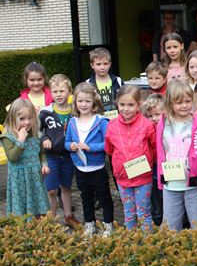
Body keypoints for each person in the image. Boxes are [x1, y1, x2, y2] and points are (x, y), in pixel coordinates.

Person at [155, 80, 197, 231]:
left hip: (194, 186)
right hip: (171, 184)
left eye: (188, 101)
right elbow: (161, 153)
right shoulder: (163, 123)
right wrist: (161, 181)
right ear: (170, 103)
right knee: (170, 229)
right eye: (179, 102)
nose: (184, 105)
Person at [65, 83, 114, 237]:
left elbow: (108, 143)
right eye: (80, 101)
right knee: (85, 198)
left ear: (94, 102)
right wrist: (71, 146)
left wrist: (90, 147)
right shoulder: (72, 121)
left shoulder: (101, 121)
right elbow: (66, 143)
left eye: (87, 101)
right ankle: (89, 223)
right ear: (75, 103)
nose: (84, 104)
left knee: (104, 197)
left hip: (98, 168)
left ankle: (108, 224)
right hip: (80, 169)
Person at [105, 86, 156, 232]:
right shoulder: (112, 125)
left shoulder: (147, 124)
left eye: (130, 105)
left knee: (143, 212)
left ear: (138, 104)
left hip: (143, 177)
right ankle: (131, 244)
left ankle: (147, 245)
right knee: (129, 213)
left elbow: (154, 147)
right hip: (123, 178)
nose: (126, 109)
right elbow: (109, 149)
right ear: (117, 104)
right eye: (122, 105)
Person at [38, 74, 80, 228]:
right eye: (55, 92)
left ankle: (69, 216)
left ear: (70, 92)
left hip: (69, 156)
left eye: (62, 91)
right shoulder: (45, 112)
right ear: (51, 93)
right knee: (51, 190)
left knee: (66, 187)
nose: (59, 95)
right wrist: (44, 139)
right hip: (51, 156)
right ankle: (52, 219)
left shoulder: (74, 111)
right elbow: (37, 130)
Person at [1, 98, 50, 218]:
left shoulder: (34, 134)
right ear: (12, 118)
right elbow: (12, 157)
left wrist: (44, 164)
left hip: (35, 179)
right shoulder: (8, 137)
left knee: (39, 211)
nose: (27, 122)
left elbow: (41, 152)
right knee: (21, 214)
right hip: (19, 181)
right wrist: (20, 140)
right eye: (22, 119)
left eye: (30, 118)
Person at [141, 93, 166, 227]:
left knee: (166, 197)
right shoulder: (147, 129)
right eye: (150, 116)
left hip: (167, 168)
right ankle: (157, 221)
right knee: (155, 197)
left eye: (157, 114)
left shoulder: (168, 128)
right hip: (153, 168)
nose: (154, 119)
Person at [86, 47, 123, 114]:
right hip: (98, 121)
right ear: (92, 65)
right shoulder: (88, 84)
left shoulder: (118, 81)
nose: (102, 67)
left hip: (117, 120)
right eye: (98, 64)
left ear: (110, 64)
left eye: (105, 63)